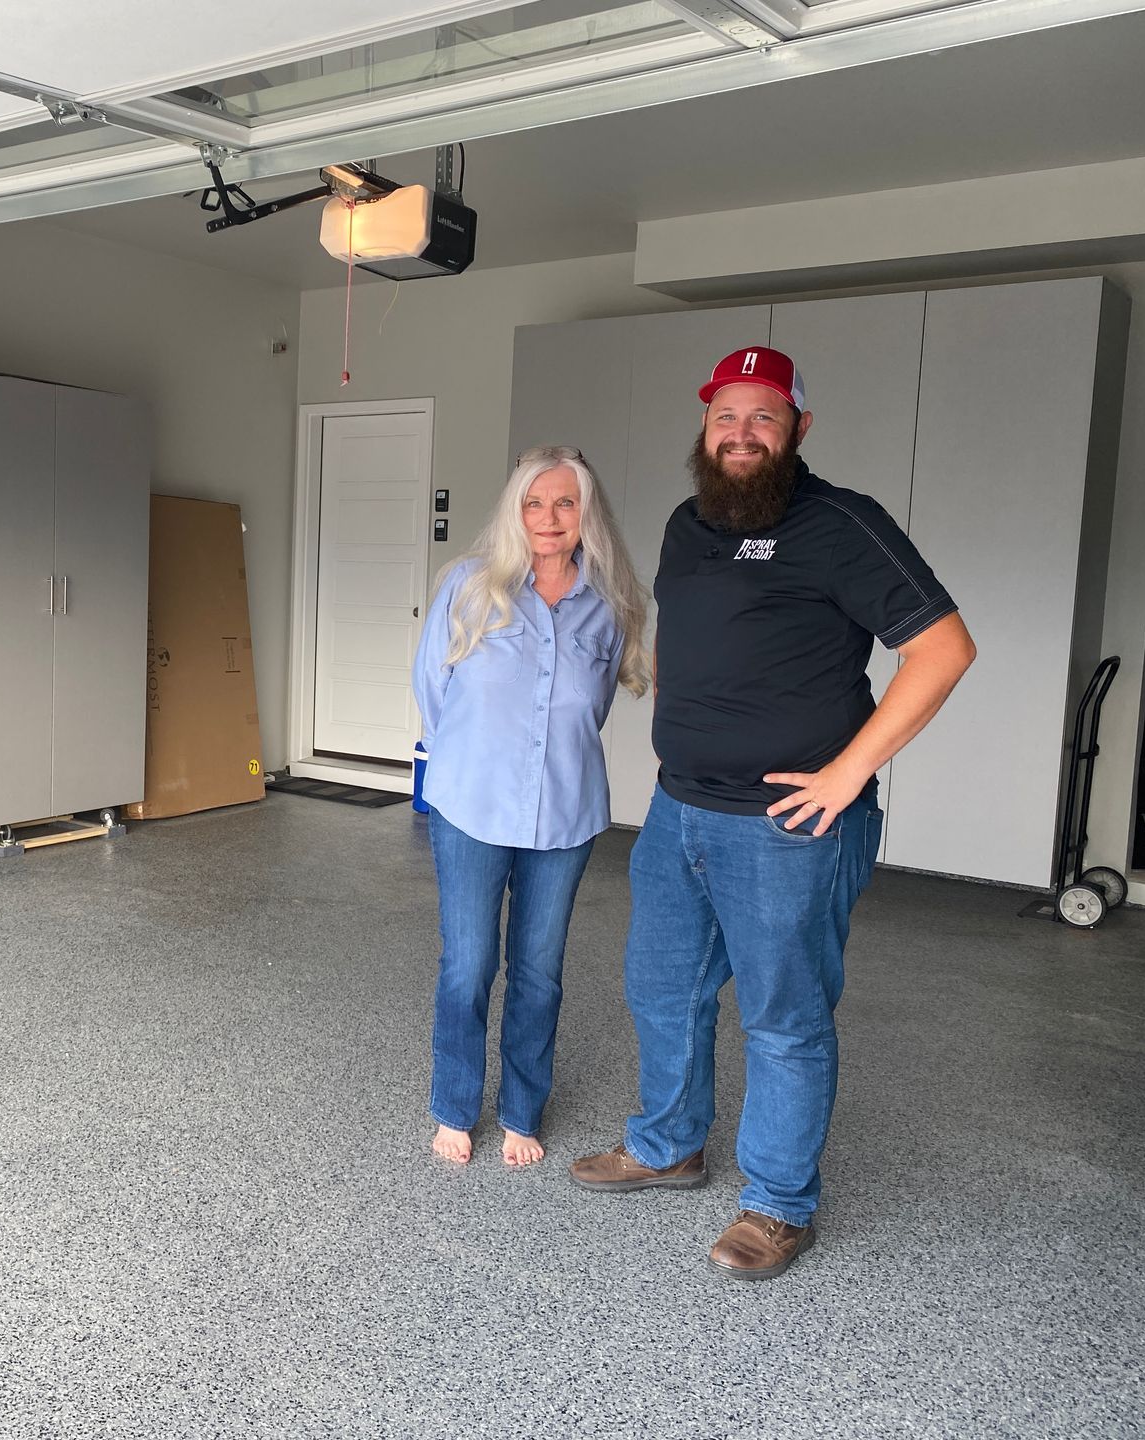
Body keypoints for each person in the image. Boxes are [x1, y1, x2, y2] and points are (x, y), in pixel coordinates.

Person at [569, 347, 977, 1278]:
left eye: (764, 416)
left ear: (798, 428)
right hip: (679, 810)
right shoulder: (686, 525)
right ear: (705, 426)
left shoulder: (840, 523)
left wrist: (846, 773)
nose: (742, 432)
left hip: (788, 829)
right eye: (727, 415)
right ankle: (668, 1145)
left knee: (784, 1019)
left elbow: (944, 649)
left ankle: (779, 1204)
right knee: (662, 990)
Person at [412, 445, 649, 1167]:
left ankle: (521, 1111)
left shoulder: (607, 604)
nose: (549, 517)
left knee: (540, 971)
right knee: (469, 964)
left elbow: (592, 708)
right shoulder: (469, 586)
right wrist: (469, 759)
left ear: (586, 515)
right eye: (534, 503)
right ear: (515, 512)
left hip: (564, 811)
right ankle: (455, 1107)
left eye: (565, 503)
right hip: (471, 803)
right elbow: (431, 690)